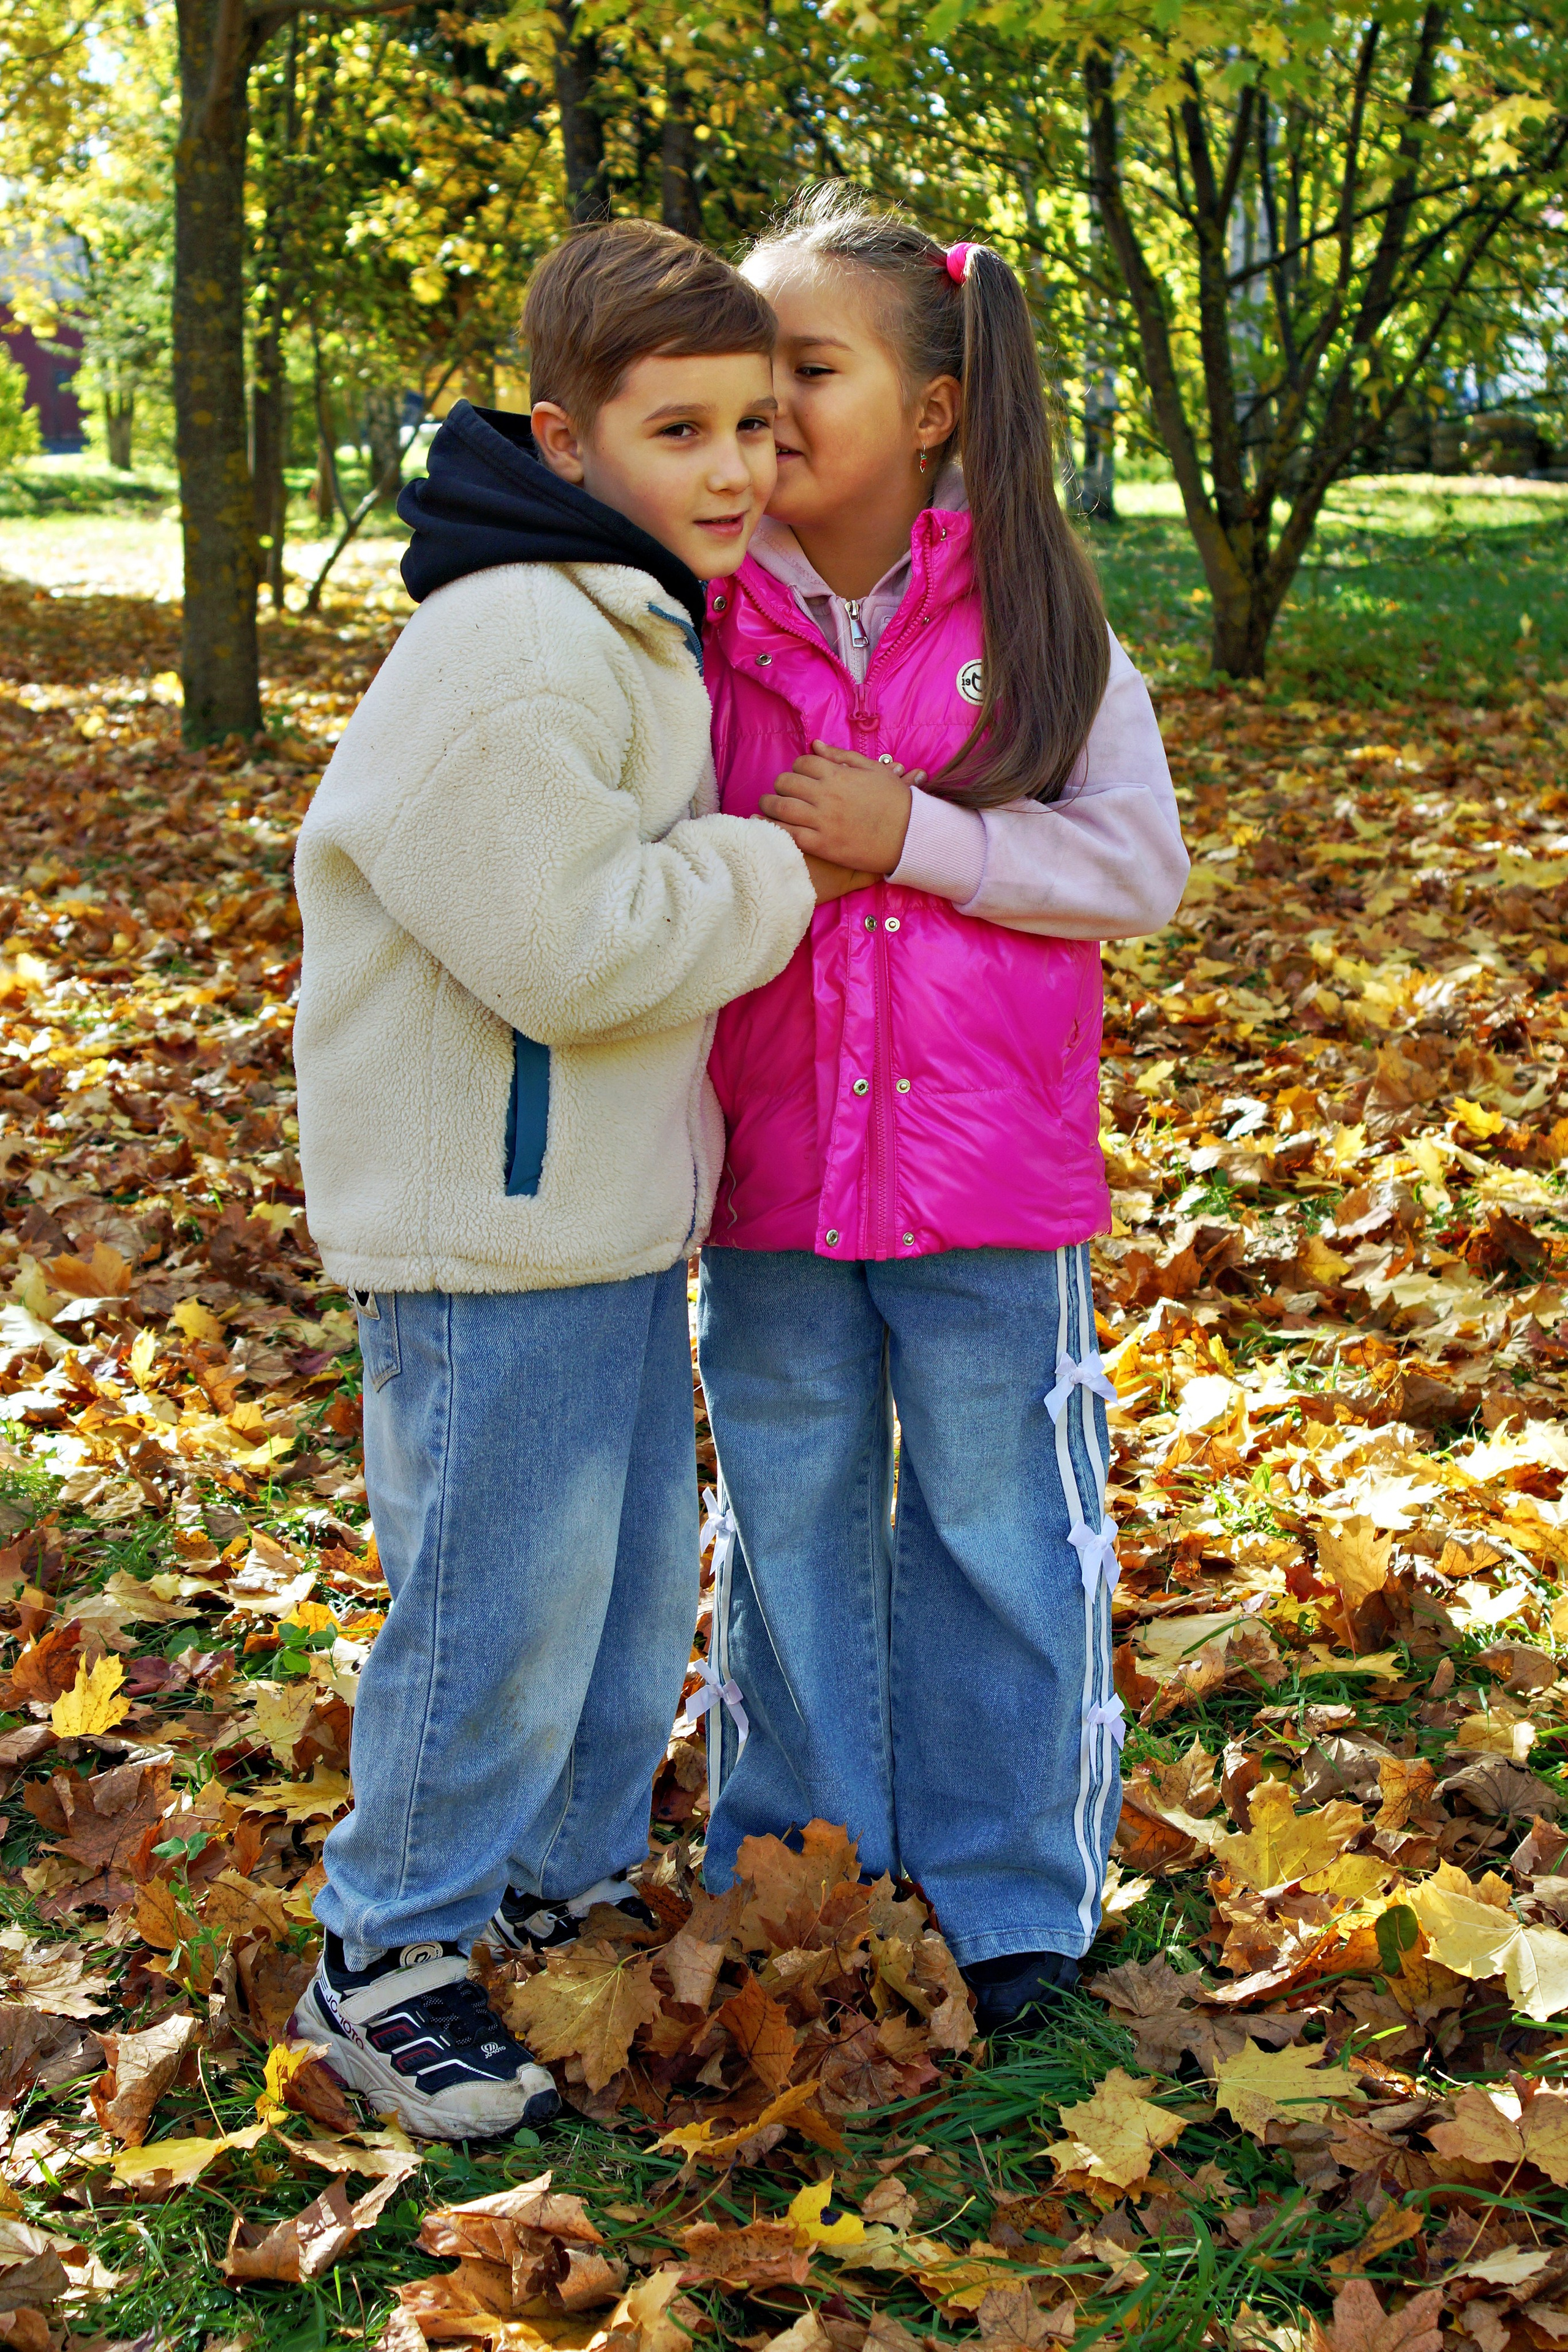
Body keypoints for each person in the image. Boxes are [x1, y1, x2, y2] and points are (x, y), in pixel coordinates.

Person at [290, 221, 821, 2138]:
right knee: (496, 1603)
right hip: (484, 1230)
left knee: (617, 1585)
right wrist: (777, 867)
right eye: (680, 430)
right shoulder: (516, 643)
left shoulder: (624, 613)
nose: (734, 469)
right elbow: (574, 951)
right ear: (566, 440)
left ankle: (553, 1880)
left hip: (590, 1219)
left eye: (755, 425)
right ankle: (384, 1951)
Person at [696, 186, 1190, 2036]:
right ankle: (802, 1868)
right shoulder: (700, 613)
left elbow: (1137, 868)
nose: (768, 406)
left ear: (933, 409)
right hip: (771, 1167)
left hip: (989, 1180)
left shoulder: (1036, 618)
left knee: (1001, 1525)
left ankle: (1009, 1898)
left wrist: (923, 838)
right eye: (748, 370)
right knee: (790, 1519)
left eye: (807, 368)